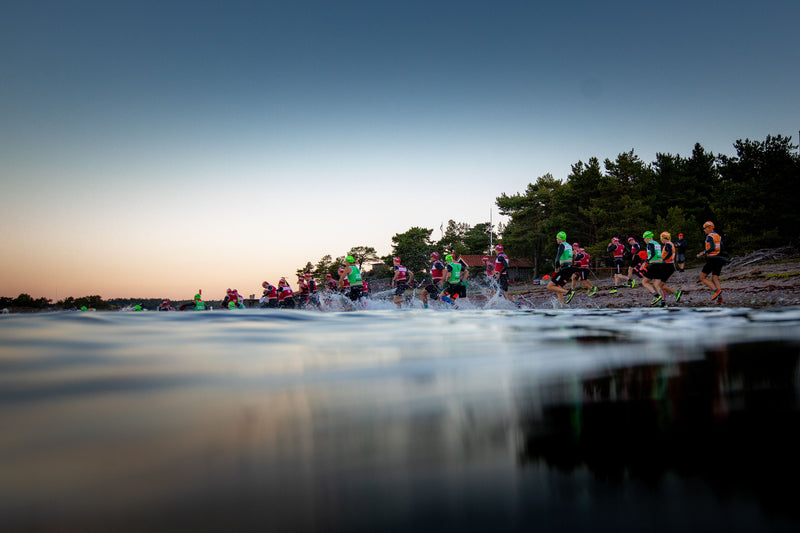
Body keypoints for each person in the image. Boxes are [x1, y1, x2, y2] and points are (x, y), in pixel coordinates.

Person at [697, 221, 726, 302]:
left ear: (708, 228)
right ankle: (720, 298)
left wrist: (704, 252)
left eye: (704, 228)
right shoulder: (718, 236)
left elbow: (712, 247)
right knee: (715, 278)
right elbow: (722, 247)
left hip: (712, 258)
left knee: (702, 277)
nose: (704, 230)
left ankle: (716, 292)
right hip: (719, 258)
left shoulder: (709, 236)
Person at [546, 231, 576, 305]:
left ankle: (569, 292)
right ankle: (562, 306)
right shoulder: (569, 246)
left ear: (560, 238)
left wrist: (556, 267)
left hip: (564, 269)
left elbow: (557, 257)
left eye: (557, 238)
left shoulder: (562, 245)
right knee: (558, 287)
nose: (556, 239)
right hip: (569, 269)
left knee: (549, 286)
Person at [641, 231, 665, 306]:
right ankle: (663, 303)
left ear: (647, 237)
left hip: (654, 265)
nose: (644, 240)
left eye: (644, 238)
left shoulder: (650, 243)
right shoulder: (657, 243)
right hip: (660, 264)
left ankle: (656, 296)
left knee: (645, 282)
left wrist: (645, 262)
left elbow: (653, 253)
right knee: (656, 284)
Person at [658, 232, 681, 303]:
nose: (660, 240)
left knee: (659, 285)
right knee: (660, 285)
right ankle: (664, 300)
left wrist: (663, 260)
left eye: (661, 238)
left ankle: (674, 293)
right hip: (670, 266)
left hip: (668, 266)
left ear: (664, 238)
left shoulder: (668, 244)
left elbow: (670, 253)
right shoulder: (671, 244)